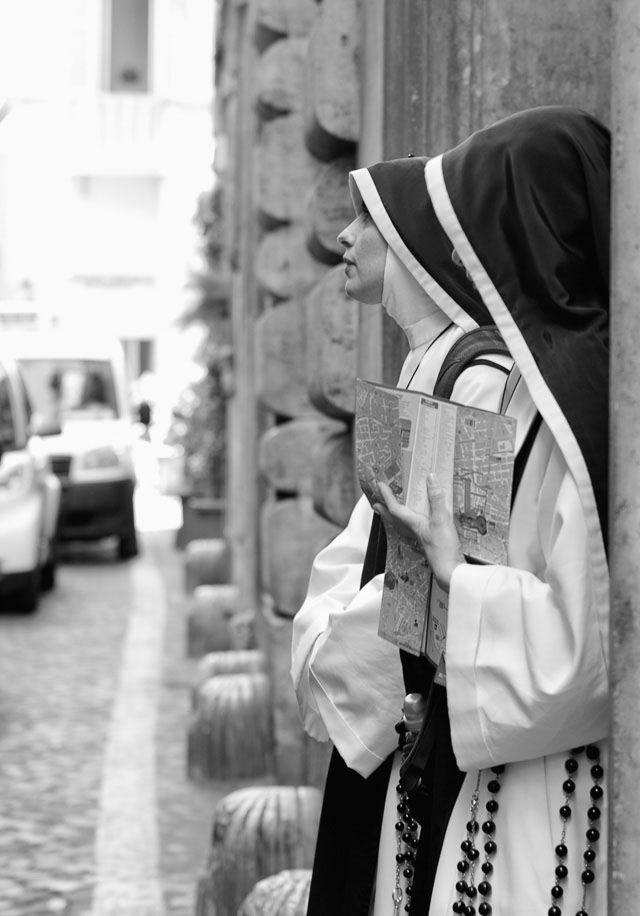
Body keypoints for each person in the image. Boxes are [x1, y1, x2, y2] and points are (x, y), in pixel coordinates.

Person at [291, 106, 610, 916]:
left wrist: (450, 580)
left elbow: (587, 647)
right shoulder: (538, 392)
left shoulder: (576, 413)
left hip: (544, 792)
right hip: (493, 772)